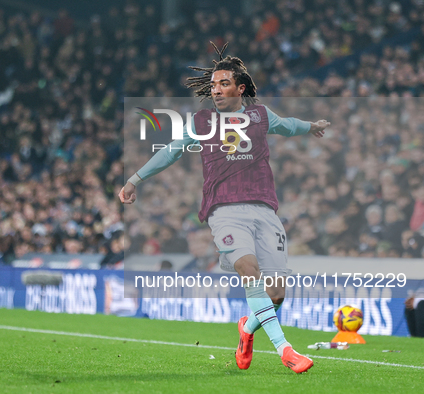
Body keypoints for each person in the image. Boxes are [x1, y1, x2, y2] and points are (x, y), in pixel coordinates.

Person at [119, 43, 330, 374]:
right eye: (214, 85)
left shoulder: (260, 115)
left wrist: (311, 126)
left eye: (223, 84)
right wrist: (134, 179)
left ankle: (246, 330)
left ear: (240, 88)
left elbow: (289, 125)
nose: (216, 91)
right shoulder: (201, 122)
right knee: (250, 271)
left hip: (264, 209)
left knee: (275, 294)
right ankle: (285, 350)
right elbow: (172, 151)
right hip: (224, 210)